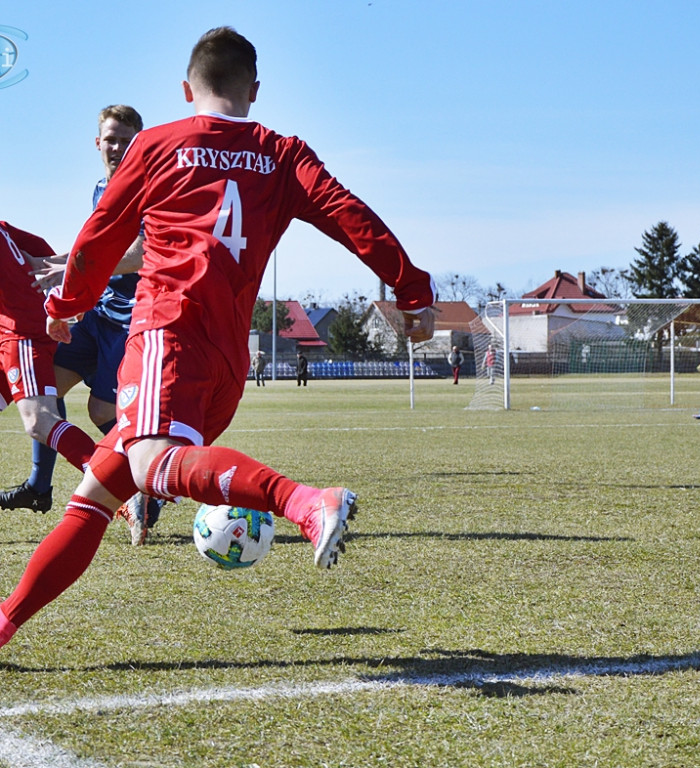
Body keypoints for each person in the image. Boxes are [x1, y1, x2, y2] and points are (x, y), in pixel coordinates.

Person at [0, 26, 436, 650]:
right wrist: (413, 291)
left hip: (166, 336)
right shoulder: (284, 154)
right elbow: (353, 219)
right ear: (254, 91)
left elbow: (98, 238)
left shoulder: (156, 145)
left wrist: (66, 305)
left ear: (185, 89)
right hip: (228, 359)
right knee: (94, 494)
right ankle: (5, 623)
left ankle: (307, 502)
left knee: (151, 466)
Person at [0, 106, 153, 531]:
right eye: (111, 138)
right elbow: (96, 248)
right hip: (99, 311)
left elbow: (140, 254)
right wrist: (58, 264)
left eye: (126, 139)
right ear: (97, 142)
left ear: (140, 142)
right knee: (44, 384)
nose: (118, 147)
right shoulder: (101, 189)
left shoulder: (146, 188)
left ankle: (137, 487)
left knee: (100, 408)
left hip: (131, 319)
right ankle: (39, 486)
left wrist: (70, 270)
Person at [0, 222, 98, 491]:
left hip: (20, 330)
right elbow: (39, 247)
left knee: (39, 421)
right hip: (24, 321)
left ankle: (111, 479)